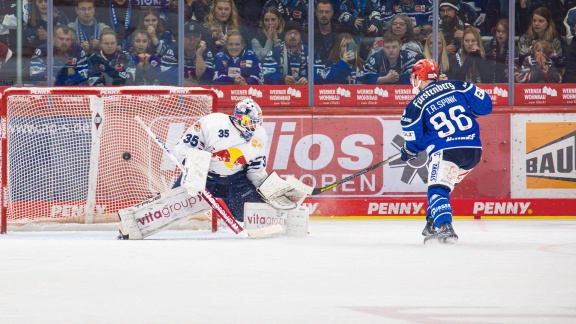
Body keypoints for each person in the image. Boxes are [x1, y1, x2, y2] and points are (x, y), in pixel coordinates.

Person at [400, 59, 492, 243]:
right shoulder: (457, 85)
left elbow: (416, 141)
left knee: (437, 189)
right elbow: (485, 106)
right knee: (443, 186)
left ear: (419, 78)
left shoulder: (415, 105)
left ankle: (445, 228)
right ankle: (432, 222)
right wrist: (469, 112)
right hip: (473, 151)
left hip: (447, 151)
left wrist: (407, 151)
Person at [171, 99, 268, 222]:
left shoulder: (260, 136)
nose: (254, 128)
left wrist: (268, 191)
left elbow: (256, 171)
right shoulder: (213, 123)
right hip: (205, 176)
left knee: (257, 216)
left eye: (257, 123)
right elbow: (183, 149)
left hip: (235, 180)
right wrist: (194, 170)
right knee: (172, 214)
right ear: (239, 118)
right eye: (250, 123)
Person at [262, 20, 325, 85]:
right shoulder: (275, 53)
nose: (292, 36)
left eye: (296, 33)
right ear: (284, 36)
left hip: (306, 92)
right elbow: (266, 74)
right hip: (282, 93)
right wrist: (282, 79)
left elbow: (321, 74)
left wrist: (309, 79)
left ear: (301, 36)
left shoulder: (311, 53)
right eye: (289, 33)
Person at [483, 18, 517, 84]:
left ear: (508, 34)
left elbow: (515, 68)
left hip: (507, 82)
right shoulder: (487, 47)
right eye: (498, 31)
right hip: (489, 81)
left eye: (504, 32)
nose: (500, 34)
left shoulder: (513, 49)